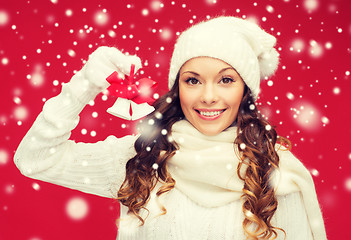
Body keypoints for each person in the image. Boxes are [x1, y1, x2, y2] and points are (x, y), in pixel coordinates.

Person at [14, 16, 327, 240]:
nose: (208, 96)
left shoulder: (276, 174)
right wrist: (82, 86)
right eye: (193, 80)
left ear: (246, 91)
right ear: (177, 88)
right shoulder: (141, 160)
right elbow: (35, 159)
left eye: (226, 80)